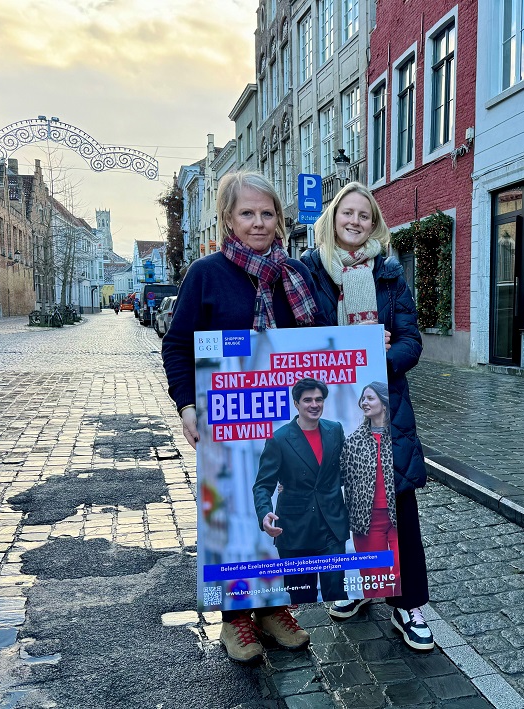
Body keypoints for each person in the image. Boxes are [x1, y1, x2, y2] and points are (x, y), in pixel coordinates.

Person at [162, 171, 320, 665]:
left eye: (267, 213)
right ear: (228, 219)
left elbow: (318, 345)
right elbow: (177, 345)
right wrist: (187, 405)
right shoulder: (206, 274)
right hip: (229, 421)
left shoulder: (294, 276)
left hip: (284, 421)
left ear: (279, 219)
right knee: (233, 512)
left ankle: (273, 608)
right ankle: (236, 619)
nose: (258, 222)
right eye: (247, 213)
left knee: (280, 509)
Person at [302, 182, 434, 652]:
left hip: (383, 406)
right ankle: (357, 585)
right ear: (333, 218)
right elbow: (296, 335)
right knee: (345, 501)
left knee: (396, 504)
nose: (355, 221)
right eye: (347, 213)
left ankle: (407, 603)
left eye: (364, 215)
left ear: (374, 223)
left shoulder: (390, 275)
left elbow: (411, 341)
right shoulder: (309, 272)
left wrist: (381, 359)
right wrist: (342, 348)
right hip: (325, 403)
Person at [252, 377, 350, 604]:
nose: (314, 405)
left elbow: (344, 470)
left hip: (332, 524)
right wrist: (264, 513)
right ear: (296, 403)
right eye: (307, 400)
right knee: (302, 597)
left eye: (319, 399)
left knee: (337, 593)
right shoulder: (279, 439)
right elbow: (263, 484)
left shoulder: (335, 430)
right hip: (295, 529)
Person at [340, 382, 400, 599]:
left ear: (384, 403)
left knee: (402, 569)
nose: (364, 402)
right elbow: (336, 476)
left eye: (370, 398)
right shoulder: (353, 441)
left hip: (398, 516)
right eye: (363, 399)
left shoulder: (399, 438)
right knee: (375, 578)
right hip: (367, 520)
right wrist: (293, 483)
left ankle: (405, 608)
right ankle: (375, 608)